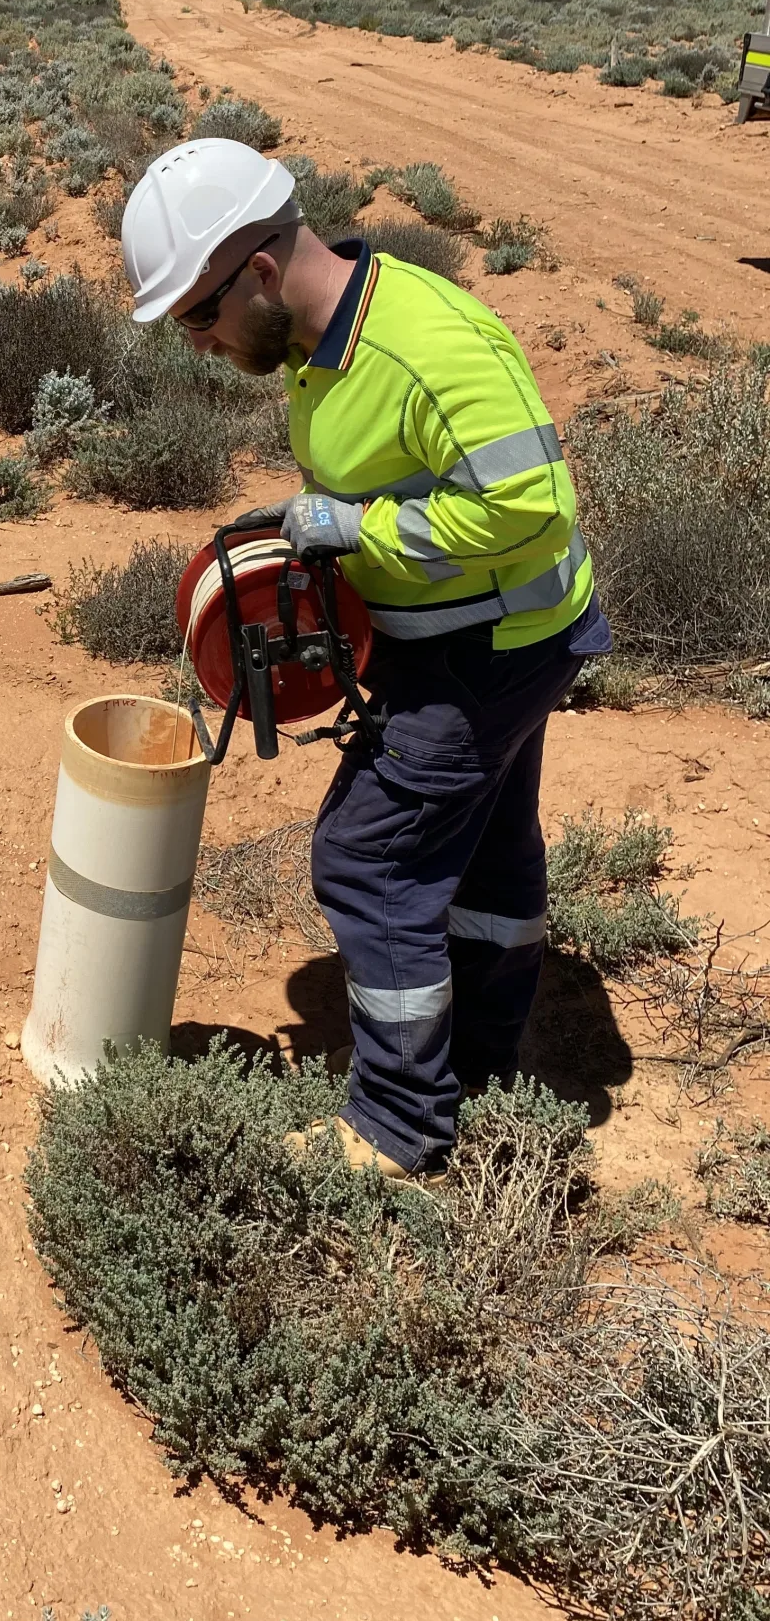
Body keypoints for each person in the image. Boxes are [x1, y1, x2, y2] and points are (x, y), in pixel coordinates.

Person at [121, 137, 611, 1177]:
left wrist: (358, 530)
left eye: (199, 318)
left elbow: (530, 506)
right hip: (484, 636)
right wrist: (313, 528)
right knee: (482, 849)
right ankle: (481, 1062)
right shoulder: (325, 338)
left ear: (258, 269)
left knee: (371, 858)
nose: (199, 346)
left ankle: (399, 1121)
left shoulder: (416, 346)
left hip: (488, 648)